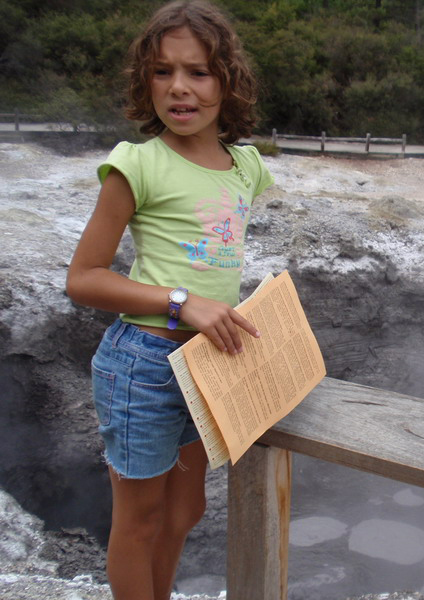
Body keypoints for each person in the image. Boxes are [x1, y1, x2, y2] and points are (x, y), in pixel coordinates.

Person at [66, 2, 273, 598]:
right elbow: (84, 278)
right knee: (142, 520)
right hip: (144, 365)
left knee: (184, 515)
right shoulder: (137, 164)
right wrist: (184, 303)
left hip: (205, 366)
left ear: (227, 81)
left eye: (198, 71)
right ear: (145, 81)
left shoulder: (247, 168)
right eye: (162, 71)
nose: (179, 87)